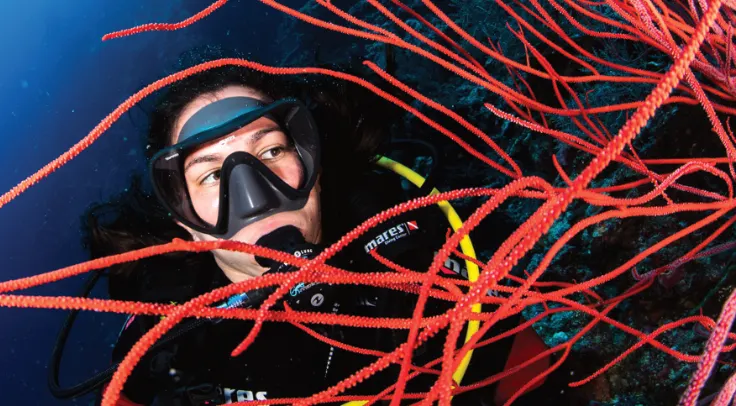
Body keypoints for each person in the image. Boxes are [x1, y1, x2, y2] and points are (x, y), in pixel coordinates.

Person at [56, 48, 583, 405]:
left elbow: (526, 372)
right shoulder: (163, 355)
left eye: (271, 150)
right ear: (183, 221)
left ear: (314, 164)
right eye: (214, 175)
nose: (255, 194)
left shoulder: (427, 242)